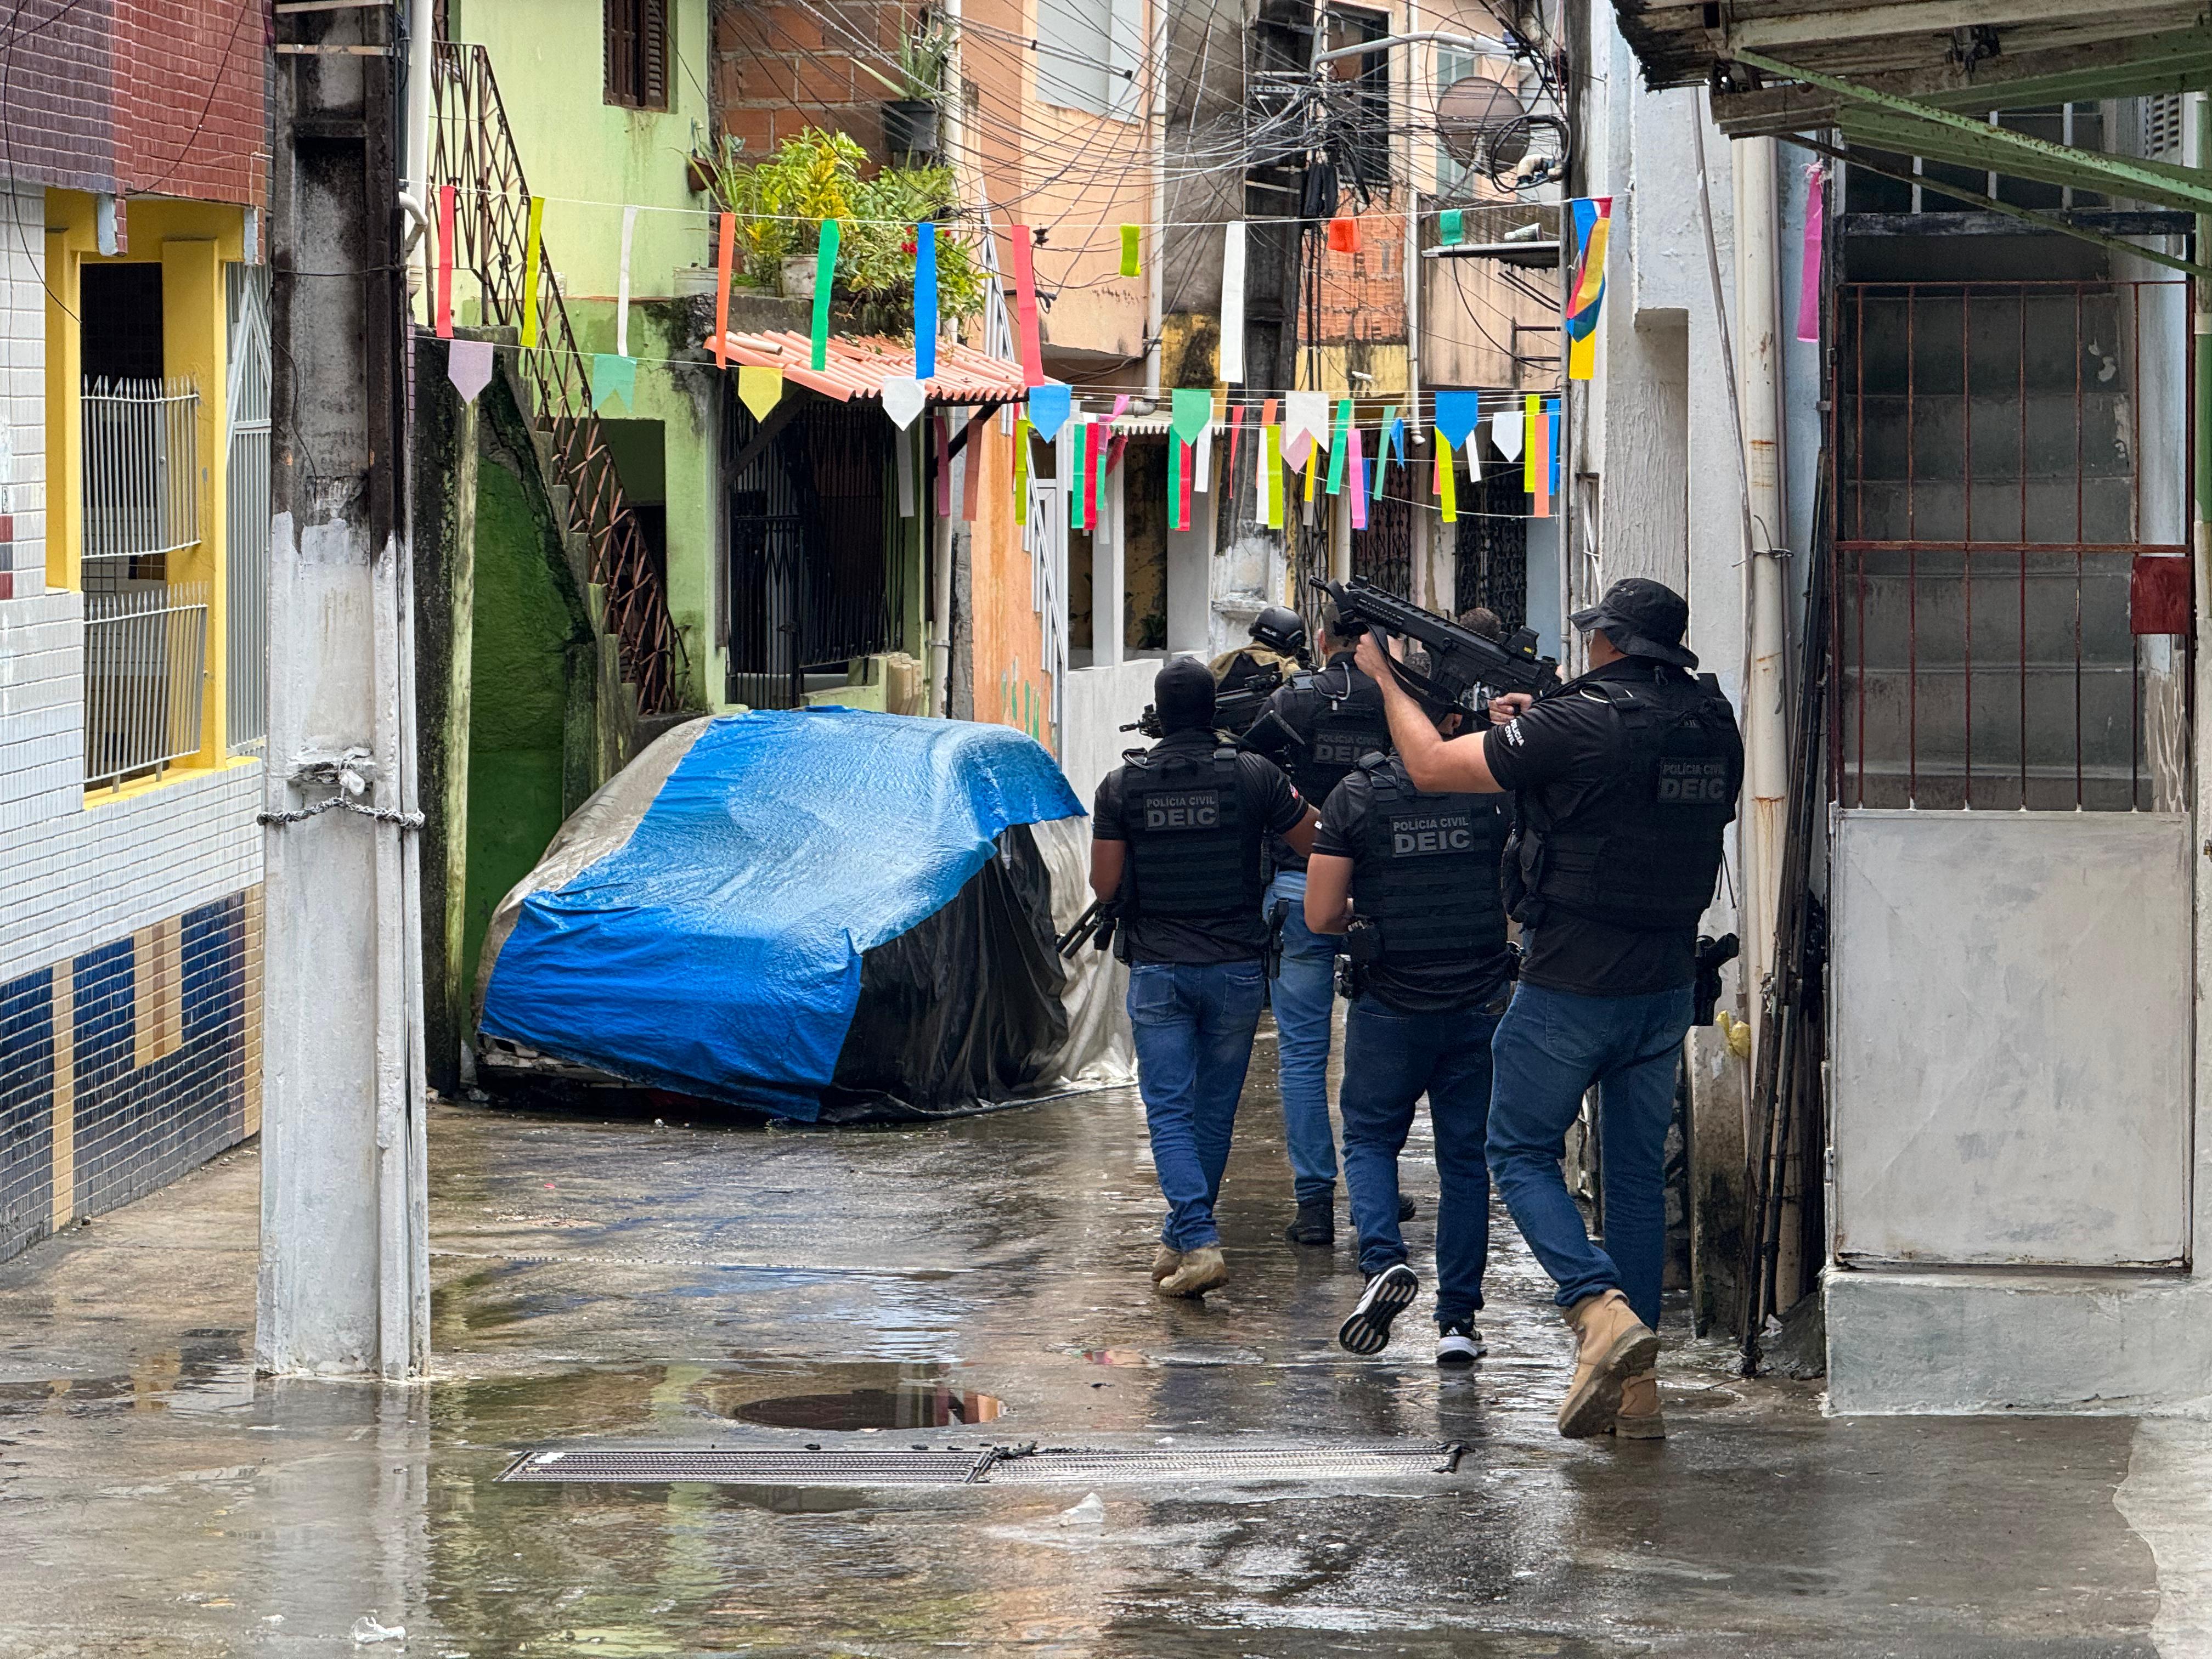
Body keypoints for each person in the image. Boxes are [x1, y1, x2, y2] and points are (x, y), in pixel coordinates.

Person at [1353, 577, 1742, 1439]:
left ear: (1608, 641)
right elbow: (1623, 782)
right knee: (1636, 1178)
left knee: (1517, 1148)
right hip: (1665, 979)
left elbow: (1426, 766)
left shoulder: (1576, 722)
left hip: (1574, 978)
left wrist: (1384, 678)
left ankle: (1596, 1311)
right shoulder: (1709, 720)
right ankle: (1637, 1398)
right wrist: (1538, 721)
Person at [1302, 672, 1514, 1365]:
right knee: (1464, 1162)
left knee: (1367, 1140)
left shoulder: (1354, 798)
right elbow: (1516, 893)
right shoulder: (1492, 794)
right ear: (1451, 722)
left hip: (1390, 1004)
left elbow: (1321, 916)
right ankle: (1458, 1323)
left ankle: (1383, 1263)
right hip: (1478, 1003)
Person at [1092, 656, 1319, 1299]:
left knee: (1167, 1110)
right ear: (1215, 713)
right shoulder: (1255, 774)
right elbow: (1318, 840)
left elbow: (1104, 885)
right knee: (1212, 1114)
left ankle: (1196, 1239)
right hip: (1238, 968)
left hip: (1161, 968)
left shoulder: (1121, 786)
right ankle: (1182, 1235)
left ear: (1159, 716)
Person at [1246, 604, 1403, 1248]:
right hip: (1382, 899)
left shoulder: (1292, 703)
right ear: (1379, 642)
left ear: (1322, 638)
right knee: (1387, 1049)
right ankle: (1376, 1186)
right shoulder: (1401, 705)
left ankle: (1315, 1202)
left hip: (1299, 887)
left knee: (1304, 1055)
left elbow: (1247, 768)